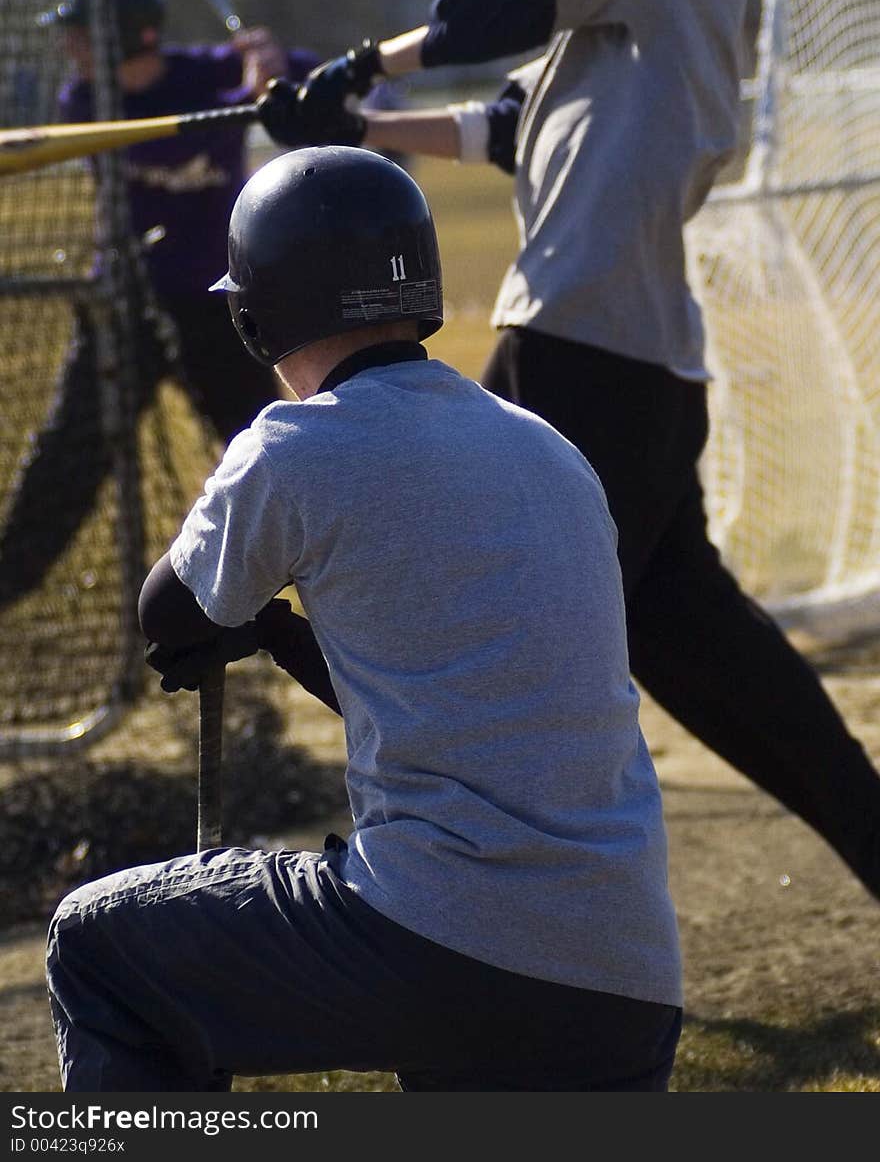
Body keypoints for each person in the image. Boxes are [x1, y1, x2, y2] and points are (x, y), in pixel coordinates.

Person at [256, 0, 880, 903]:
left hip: (583, 358)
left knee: (483, 615)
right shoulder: (627, 31)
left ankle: (493, 905)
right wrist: (351, 121)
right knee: (707, 659)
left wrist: (364, 60)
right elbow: (497, 126)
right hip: (626, 372)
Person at [46, 145, 683, 1093]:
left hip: (444, 942)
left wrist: (237, 614)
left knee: (97, 944)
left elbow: (168, 613)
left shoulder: (297, 443)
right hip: (627, 976)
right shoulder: (547, 449)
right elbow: (470, 696)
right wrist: (278, 633)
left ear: (255, 313)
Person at [0, 0, 318, 607]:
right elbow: (173, 149)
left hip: (221, 310)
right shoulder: (87, 103)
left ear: (125, 39)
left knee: (261, 453)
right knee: (69, 459)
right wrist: (243, 101)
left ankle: (311, 587)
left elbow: (315, 83)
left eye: (82, 33)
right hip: (126, 306)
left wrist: (278, 64)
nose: (70, 47)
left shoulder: (202, 70)